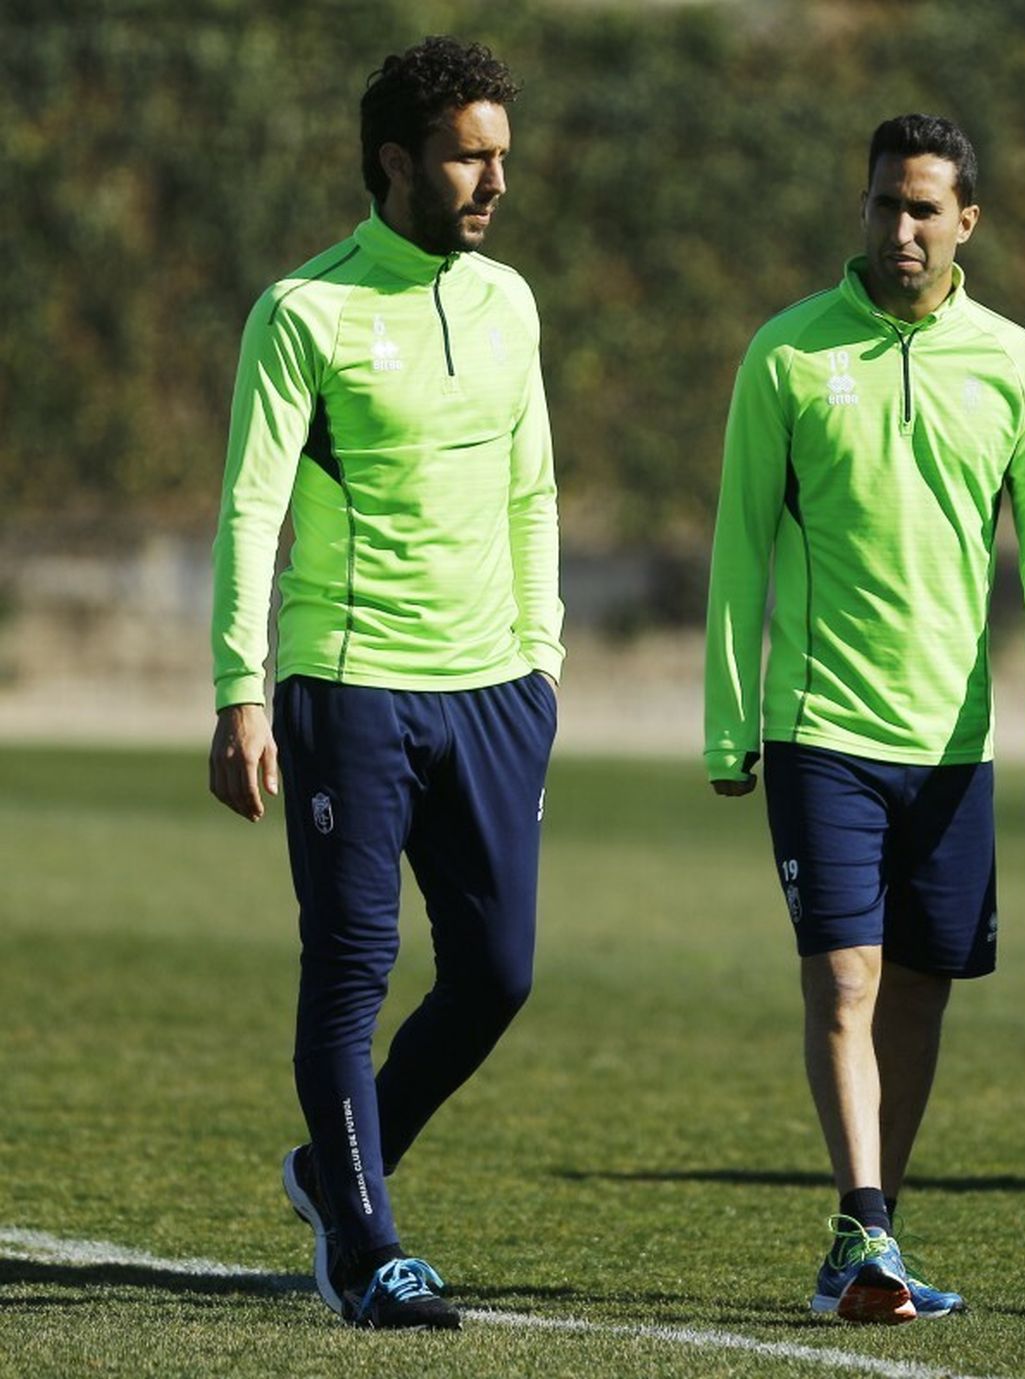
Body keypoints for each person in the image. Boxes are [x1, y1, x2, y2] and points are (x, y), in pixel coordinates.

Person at [704, 113, 1025, 1323]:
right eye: (885, 204)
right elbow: (737, 551)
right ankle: (862, 1225)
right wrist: (732, 725)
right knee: (847, 979)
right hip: (822, 725)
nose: (903, 228)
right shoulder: (784, 354)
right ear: (863, 207)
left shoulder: (1016, 364)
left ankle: (870, 1228)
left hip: (952, 743)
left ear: (966, 220)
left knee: (924, 984)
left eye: (926, 208)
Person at [208, 36, 562, 1331]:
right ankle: (366, 1243)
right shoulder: (305, 311)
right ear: (395, 161)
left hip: (494, 691)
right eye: (470, 157)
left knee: (497, 972)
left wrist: (545, 658)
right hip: (350, 685)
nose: (493, 183)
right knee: (353, 963)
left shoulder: (510, 302)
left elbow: (532, 488)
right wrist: (239, 690)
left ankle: (328, 1167)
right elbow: (252, 512)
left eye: (503, 158)